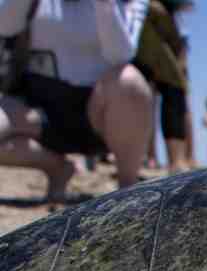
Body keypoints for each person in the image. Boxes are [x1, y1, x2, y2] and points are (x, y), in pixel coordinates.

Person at [0, 0, 154, 200]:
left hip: (99, 113)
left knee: (130, 81)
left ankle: (126, 187)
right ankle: (56, 167)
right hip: (38, 110)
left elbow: (120, 55)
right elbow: (5, 27)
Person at [133, 0, 191, 173]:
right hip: (140, 45)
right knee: (144, 102)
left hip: (166, 50)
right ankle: (147, 156)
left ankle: (175, 159)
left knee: (173, 96)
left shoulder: (174, 15)